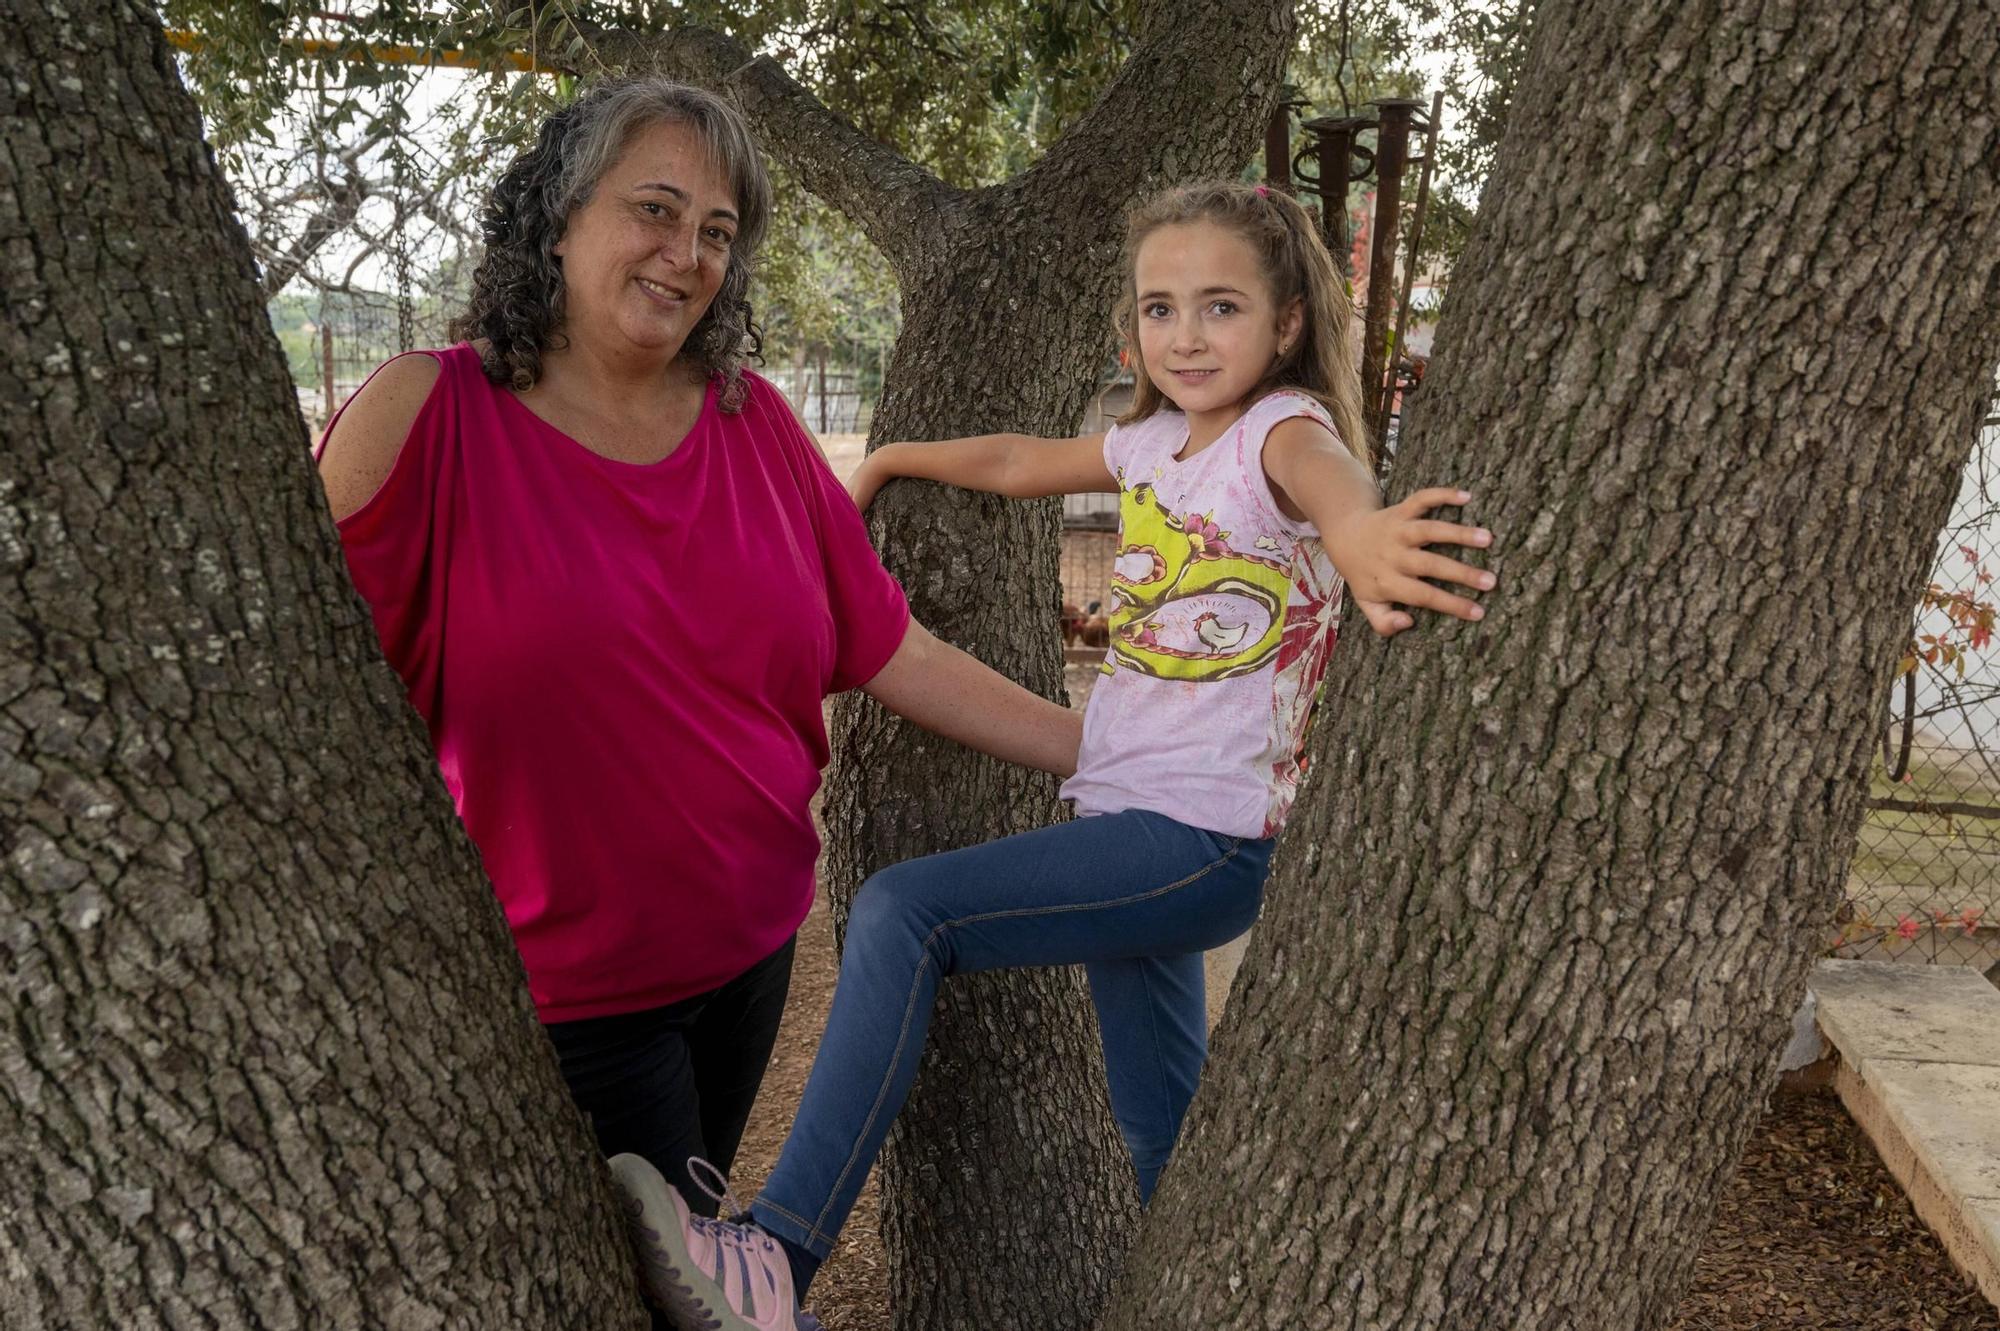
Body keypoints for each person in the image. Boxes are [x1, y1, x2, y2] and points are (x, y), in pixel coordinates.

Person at [609, 179, 1497, 1331]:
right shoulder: (1154, 444)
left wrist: (1368, 533)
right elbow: (1023, 458)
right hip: (1130, 826)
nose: (1183, 335)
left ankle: (775, 1253)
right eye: (1158, 307)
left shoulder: (1280, 433)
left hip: (1197, 836)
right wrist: (885, 464)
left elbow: (1334, 493)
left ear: (1283, 324)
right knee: (1158, 1124)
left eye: (1220, 307)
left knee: (901, 912)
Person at [312, 77, 1082, 1253]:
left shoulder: (751, 419)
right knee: (668, 1285)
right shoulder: (424, 414)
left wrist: (1109, 748)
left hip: (750, 951)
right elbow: (319, 712)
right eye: (656, 211)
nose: (686, 254)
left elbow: (890, 645)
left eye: (716, 232)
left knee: (696, 1259)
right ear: (557, 217)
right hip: (569, 996)